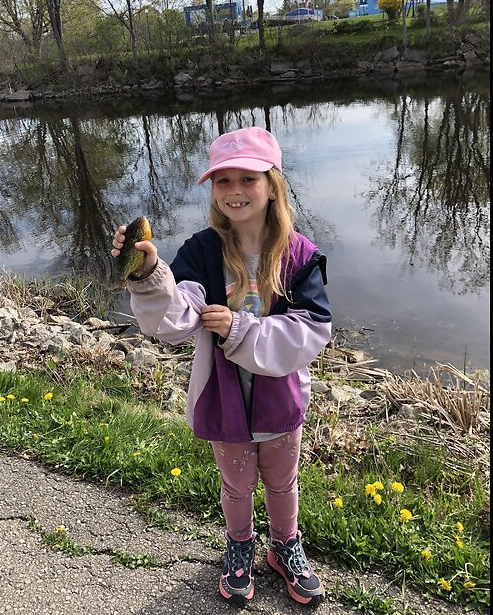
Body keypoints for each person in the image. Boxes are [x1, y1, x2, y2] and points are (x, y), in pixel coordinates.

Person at [110, 126, 331, 606]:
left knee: (282, 480)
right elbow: (176, 318)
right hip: (224, 399)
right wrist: (148, 275)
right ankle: (239, 544)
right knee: (235, 482)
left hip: (281, 399)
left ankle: (284, 545)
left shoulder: (298, 254)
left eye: (247, 179)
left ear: (272, 184)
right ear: (213, 190)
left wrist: (239, 329)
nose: (235, 191)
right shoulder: (202, 251)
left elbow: (312, 331)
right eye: (222, 180)